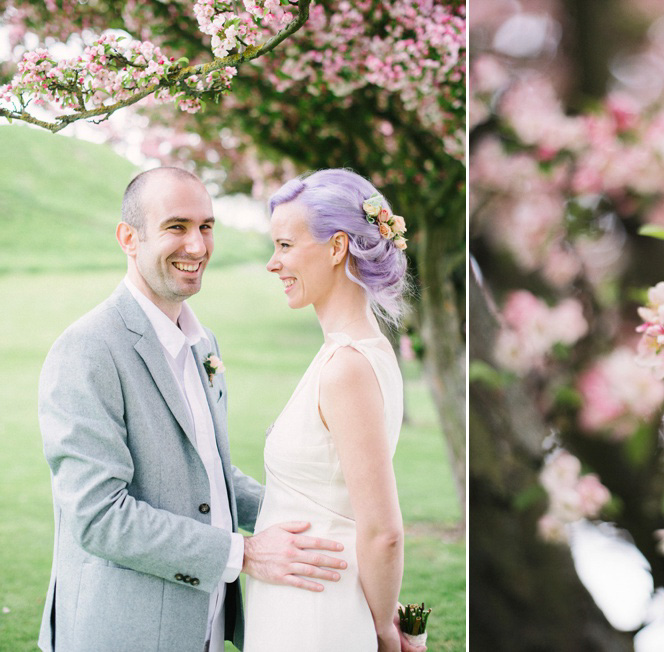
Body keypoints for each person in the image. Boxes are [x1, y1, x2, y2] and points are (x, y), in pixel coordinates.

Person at [37, 167, 347, 651]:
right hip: (123, 633)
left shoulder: (205, 344)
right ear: (128, 238)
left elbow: (212, 477)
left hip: (205, 627)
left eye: (206, 226)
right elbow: (99, 517)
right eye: (176, 227)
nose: (198, 247)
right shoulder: (88, 349)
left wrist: (324, 526)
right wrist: (244, 553)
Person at [243, 169, 424, 652]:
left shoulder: (347, 368)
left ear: (337, 247)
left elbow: (383, 530)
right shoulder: (363, 354)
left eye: (284, 245)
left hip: (316, 618)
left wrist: (384, 630)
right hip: (302, 608)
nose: (273, 263)